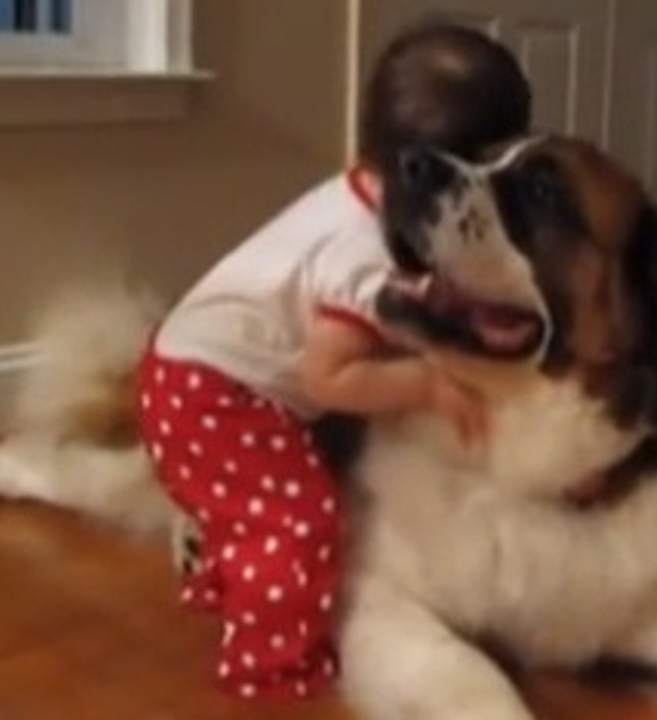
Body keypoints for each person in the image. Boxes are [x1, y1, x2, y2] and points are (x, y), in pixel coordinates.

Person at [134, 24, 533, 702]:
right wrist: (429, 386)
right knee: (299, 516)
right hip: (210, 393)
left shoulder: (359, 192)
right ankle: (270, 665)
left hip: (184, 366)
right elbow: (330, 376)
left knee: (254, 505)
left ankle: (227, 582)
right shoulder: (368, 253)